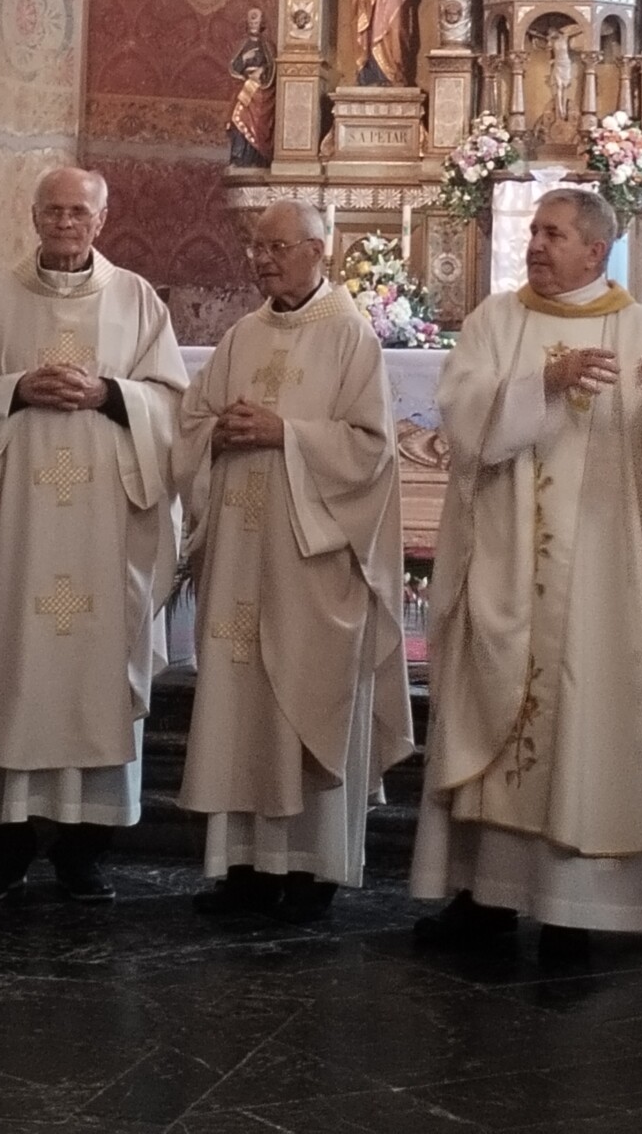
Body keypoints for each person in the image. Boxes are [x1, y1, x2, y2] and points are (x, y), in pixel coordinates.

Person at [412, 187, 642, 963]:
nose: (535, 245)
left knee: (585, 726)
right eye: (534, 232)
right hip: (503, 566)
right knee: (492, 724)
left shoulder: (638, 328)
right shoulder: (495, 321)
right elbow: (463, 423)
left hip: (599, 576)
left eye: (553, 234)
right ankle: (485, 900)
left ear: (595, 250)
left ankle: (571, 912)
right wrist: (544, 385)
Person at [0, 167, 188, 905]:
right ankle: (4, 848)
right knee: (11, 663)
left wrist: (111, 394)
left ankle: (85, 851)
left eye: (79, 211)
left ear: (102, 220)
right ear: (34, 216)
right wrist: (13, 388)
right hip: (17, 527)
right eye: (53, 210)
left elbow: (173, 405)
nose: (66, 223)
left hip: (107, 526)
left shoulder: (136, 300)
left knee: (96, 671)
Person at [174, 200, 413, 925]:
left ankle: (312, 866)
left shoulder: (349, 337)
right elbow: (189, 425)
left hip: (311, 563)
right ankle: (244, 867)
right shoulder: (242, 335)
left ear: (319, 250)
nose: (263, 259)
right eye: (257, 247)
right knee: (241, 707)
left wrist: (287, 434)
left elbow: (371, 450)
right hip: (241, 559)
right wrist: (217, 435)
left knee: (302, 700)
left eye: (279, 247)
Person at [226, 6, 277, 167]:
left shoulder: (268, 45)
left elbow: (273, 66)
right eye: (251, 23)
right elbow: (233, 67)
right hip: (245, 86)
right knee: (237, 117)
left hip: (261, 89)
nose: (254, 25)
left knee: (259, 123)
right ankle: (239, 156)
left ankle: (257, 157)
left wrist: (261, 71)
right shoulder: (242, 44)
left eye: (256, 22)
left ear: (262, 24)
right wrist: (244, 59)